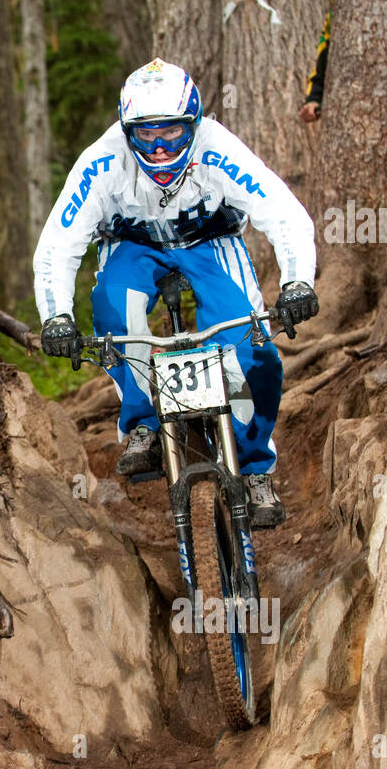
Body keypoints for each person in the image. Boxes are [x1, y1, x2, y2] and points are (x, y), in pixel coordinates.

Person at [33, 59, 319, 528]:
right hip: (134, 246)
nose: (161, 148)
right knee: (113, 309)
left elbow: (280, 210)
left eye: (172, 133)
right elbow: (59, 243)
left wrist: (297, 281)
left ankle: (254, 469)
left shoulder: (218, 147)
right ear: (127, 131)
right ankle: (144, 423)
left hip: (209, 242)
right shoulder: (103, 160)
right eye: (147, 135)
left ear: (195, 123)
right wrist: (56, 316)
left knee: (253, 348)